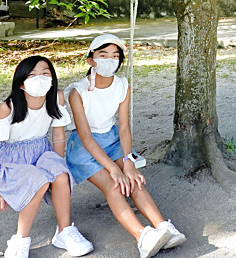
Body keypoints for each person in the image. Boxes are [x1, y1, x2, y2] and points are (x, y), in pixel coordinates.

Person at [65, 34, 186, 258]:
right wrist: (113, 168)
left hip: (112, 141)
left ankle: (163, 226)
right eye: (103, 55)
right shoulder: (77, 92)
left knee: (133, 178)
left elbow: (123, 128)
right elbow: (87, 138)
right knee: (113, 185)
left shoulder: (123, 85)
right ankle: (142, 236)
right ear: (91, 60)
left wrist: (128, 161)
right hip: (84, 148)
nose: (110, 60)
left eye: (115, 55)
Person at [0, 56, 92, 258]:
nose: (39, 78)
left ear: (52, 79)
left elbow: (58, 135)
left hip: (42, 152)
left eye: (44, 73)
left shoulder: (56, 98)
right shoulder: (9, 108)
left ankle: (64, 231)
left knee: (60, 175)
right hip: (13, 161)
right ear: (22, 83)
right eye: (32, 75)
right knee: (39, 180)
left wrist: (57, 163)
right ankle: (20, 239)